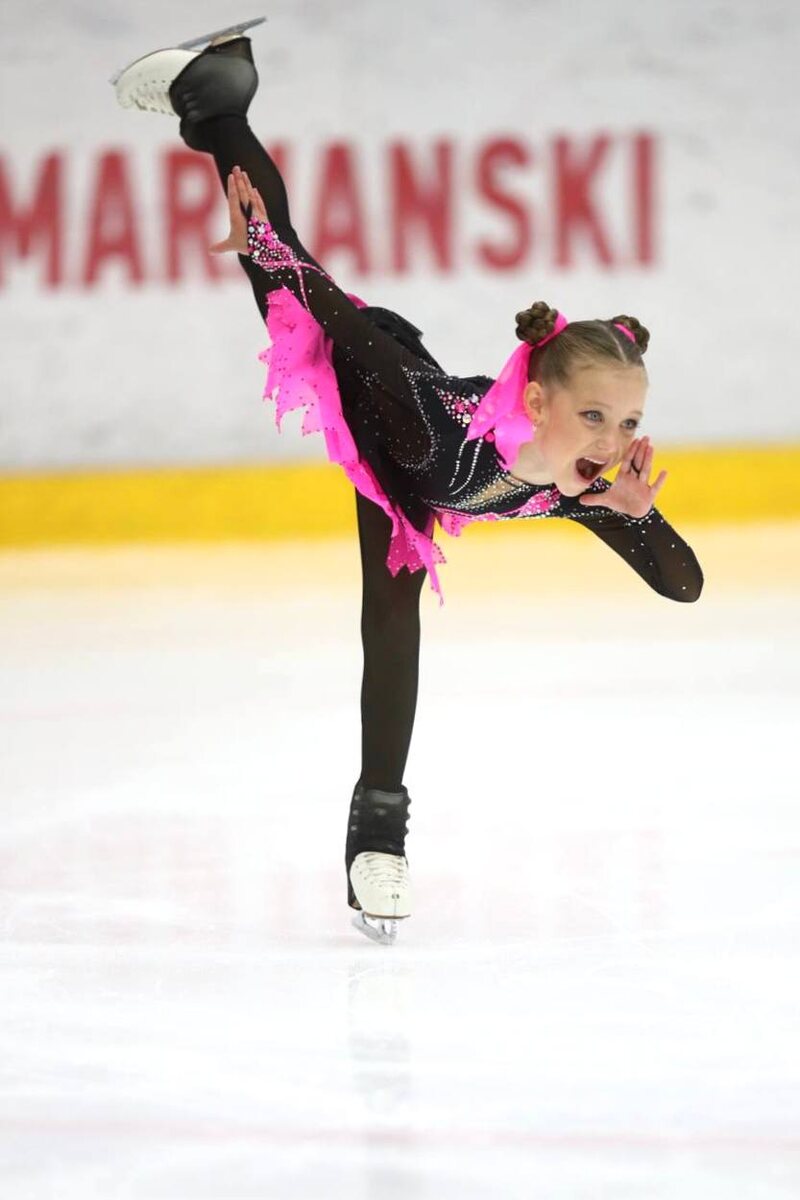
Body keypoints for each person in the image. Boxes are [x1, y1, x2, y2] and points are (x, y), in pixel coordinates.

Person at [114, 28, 704, 943]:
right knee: (389, 615)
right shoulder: (443, 424)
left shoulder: (585, 486)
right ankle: (216, 102)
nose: (612, 441)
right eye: (594, 416)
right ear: (538, 401)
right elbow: (345, 326)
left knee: (395, 610)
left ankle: (219, 102)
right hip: (378, 390)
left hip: (422, 440)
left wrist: (642, 514)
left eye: (627, 424)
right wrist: (264, 249)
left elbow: (683, 582)